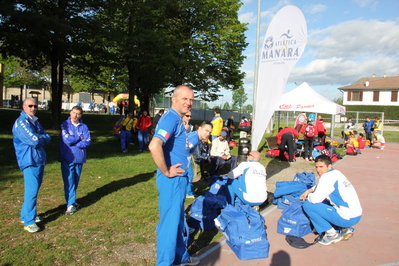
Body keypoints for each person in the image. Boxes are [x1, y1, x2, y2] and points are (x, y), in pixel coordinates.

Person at [148, 85, 199, 266]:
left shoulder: (177, 119)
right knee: (169, 225)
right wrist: (166, 170)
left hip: (180, 179)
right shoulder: (170, 118)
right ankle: (165, 263)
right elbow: (154, 145)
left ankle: (180, 258)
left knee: (177, 220)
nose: (189, 103)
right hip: (172, 179)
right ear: (174, 99)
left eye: (191, 99)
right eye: (185, 99)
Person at [300, 155, 362, 245]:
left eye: (321, 167)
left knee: (308, 205)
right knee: (329, 202)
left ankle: (331, 234)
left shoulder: (326, 177)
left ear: (329, 166)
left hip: (347, 219)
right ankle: (344, 228)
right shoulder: (337, 173)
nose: (318, 170)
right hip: (357, 215)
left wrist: (308, 195)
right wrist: (310, 190)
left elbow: (314, 200)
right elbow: (324, 187)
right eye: (316, 167)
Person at [13, 98, 51, 233]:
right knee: (32, 191)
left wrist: (42, 137)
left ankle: (25, 215)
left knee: (33, 189)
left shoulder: (34, 121)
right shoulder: (21, 122)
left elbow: (47, 137)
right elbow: (34, 140)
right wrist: (41, 138)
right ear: (23, 107)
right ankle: (29, 222)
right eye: (30, 106)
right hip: (29, 160)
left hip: (38, 159)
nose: (33, 108)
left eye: (35, 106)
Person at [59, 106, 91, 215]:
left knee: (75, 180)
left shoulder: (84, 127)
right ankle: (70, 204)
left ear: (81, 115)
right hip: (67, 157)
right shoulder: (65, 125)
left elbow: (87, 141)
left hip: (79, 158)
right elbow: (67, 140)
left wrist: (76, 144)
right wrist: (78, 138)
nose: (75, 115)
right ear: (70, 113)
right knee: (69, 181)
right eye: (73, 113)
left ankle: (72, 201)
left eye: (78, 114)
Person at [186, 121, 213, 198]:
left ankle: (188, 192)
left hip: (186, 159)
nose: (208, 134)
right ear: (200, 128)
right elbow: (183, 150)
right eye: (206, 131)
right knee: (189, 175)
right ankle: (188, 192)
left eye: (210, 132)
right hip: (182, 161)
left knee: (189, 175)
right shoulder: (194, 139)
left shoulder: (196, 137)